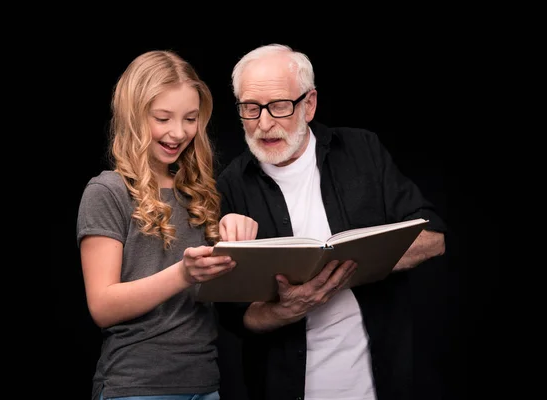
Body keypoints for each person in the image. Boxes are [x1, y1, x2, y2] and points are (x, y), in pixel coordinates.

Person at [214, 44, 447, 400]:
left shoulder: (361, 150)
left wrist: (347, 269)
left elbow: (434, 237)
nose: (263, 123)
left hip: (378, 382)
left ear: (308, 104)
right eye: (250, 108)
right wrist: (284, 310)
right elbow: (233, 317)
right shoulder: (230, 185)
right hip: (283, 387)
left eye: (278, 105)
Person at [76, 50, 258, 400]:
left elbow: (221, 290)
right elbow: (102, 306)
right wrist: (183, 274)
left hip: (206, 384)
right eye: (163, 118)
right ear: (133, 116)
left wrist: (235, 234)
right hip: (137, 387)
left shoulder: (200, 193)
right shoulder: (107, 191)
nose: (178, 132)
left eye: (190, 118)